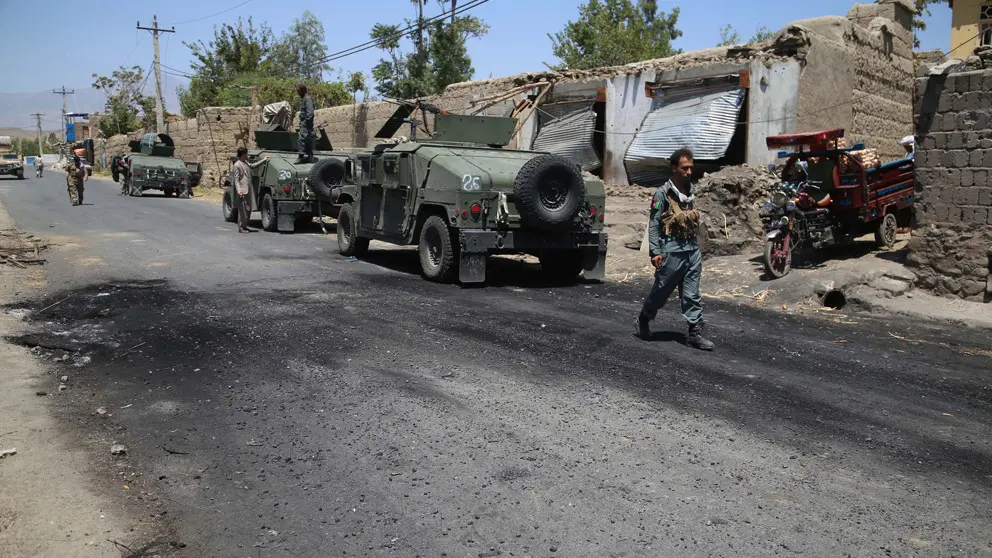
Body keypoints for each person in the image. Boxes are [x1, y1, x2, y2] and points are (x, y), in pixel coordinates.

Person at [635, 148, 715, 351]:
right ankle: (644, 318)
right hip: (671, 251)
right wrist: (655, 252)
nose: (689, 172)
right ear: (674, 168)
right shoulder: (662, 194)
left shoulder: (690, 191)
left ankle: (695, 333)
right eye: (685, 168)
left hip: (691, 250)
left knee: (692, 295)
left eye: (691, 168)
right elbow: (653, 224)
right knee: (661, 292)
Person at [232, 147, 268, 233]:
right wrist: (239, 190)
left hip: (249, 188)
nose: (247, 155)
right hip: (242, 190)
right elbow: (236, 180)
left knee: (248, 209)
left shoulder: (245, 162)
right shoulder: (237, 165)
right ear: (243, 154)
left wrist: (263, 160)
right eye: (246, 154)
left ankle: (245, 226)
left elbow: (253, 166)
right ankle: (241, 227)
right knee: (242, 210)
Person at [295, 84, 315, 164]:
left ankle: (301, 157)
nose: (298, 94)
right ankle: (310, 156)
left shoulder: (308, 99)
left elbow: (310, 112)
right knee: (307, 139)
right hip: (305, 123)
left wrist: (306, 122)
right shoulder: (305, 99)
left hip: (306, 123)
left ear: (303, 91)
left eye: (299, 92)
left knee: (301, 139)